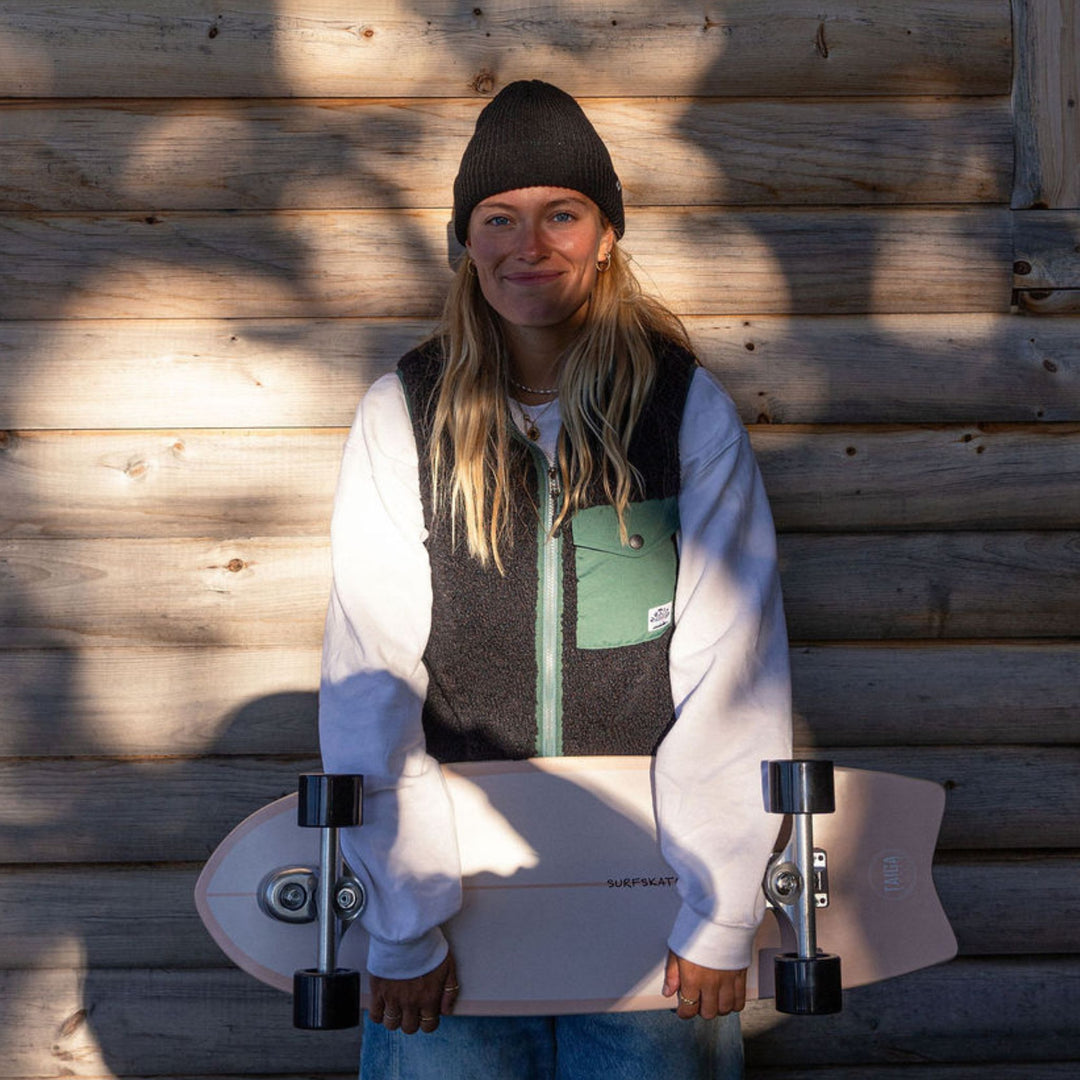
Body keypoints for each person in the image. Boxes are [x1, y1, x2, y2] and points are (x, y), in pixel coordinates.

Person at [319, 80, 792, 1079]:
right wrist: (403, 920)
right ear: (467, 241)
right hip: (454, 909)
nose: (528, 242)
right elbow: (371, 676)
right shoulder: (404, 414)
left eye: (560, 213)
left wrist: (720, 911)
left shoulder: (682, 413)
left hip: (649, 903)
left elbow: (733, 667)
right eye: (499, 218)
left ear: (607, 233)